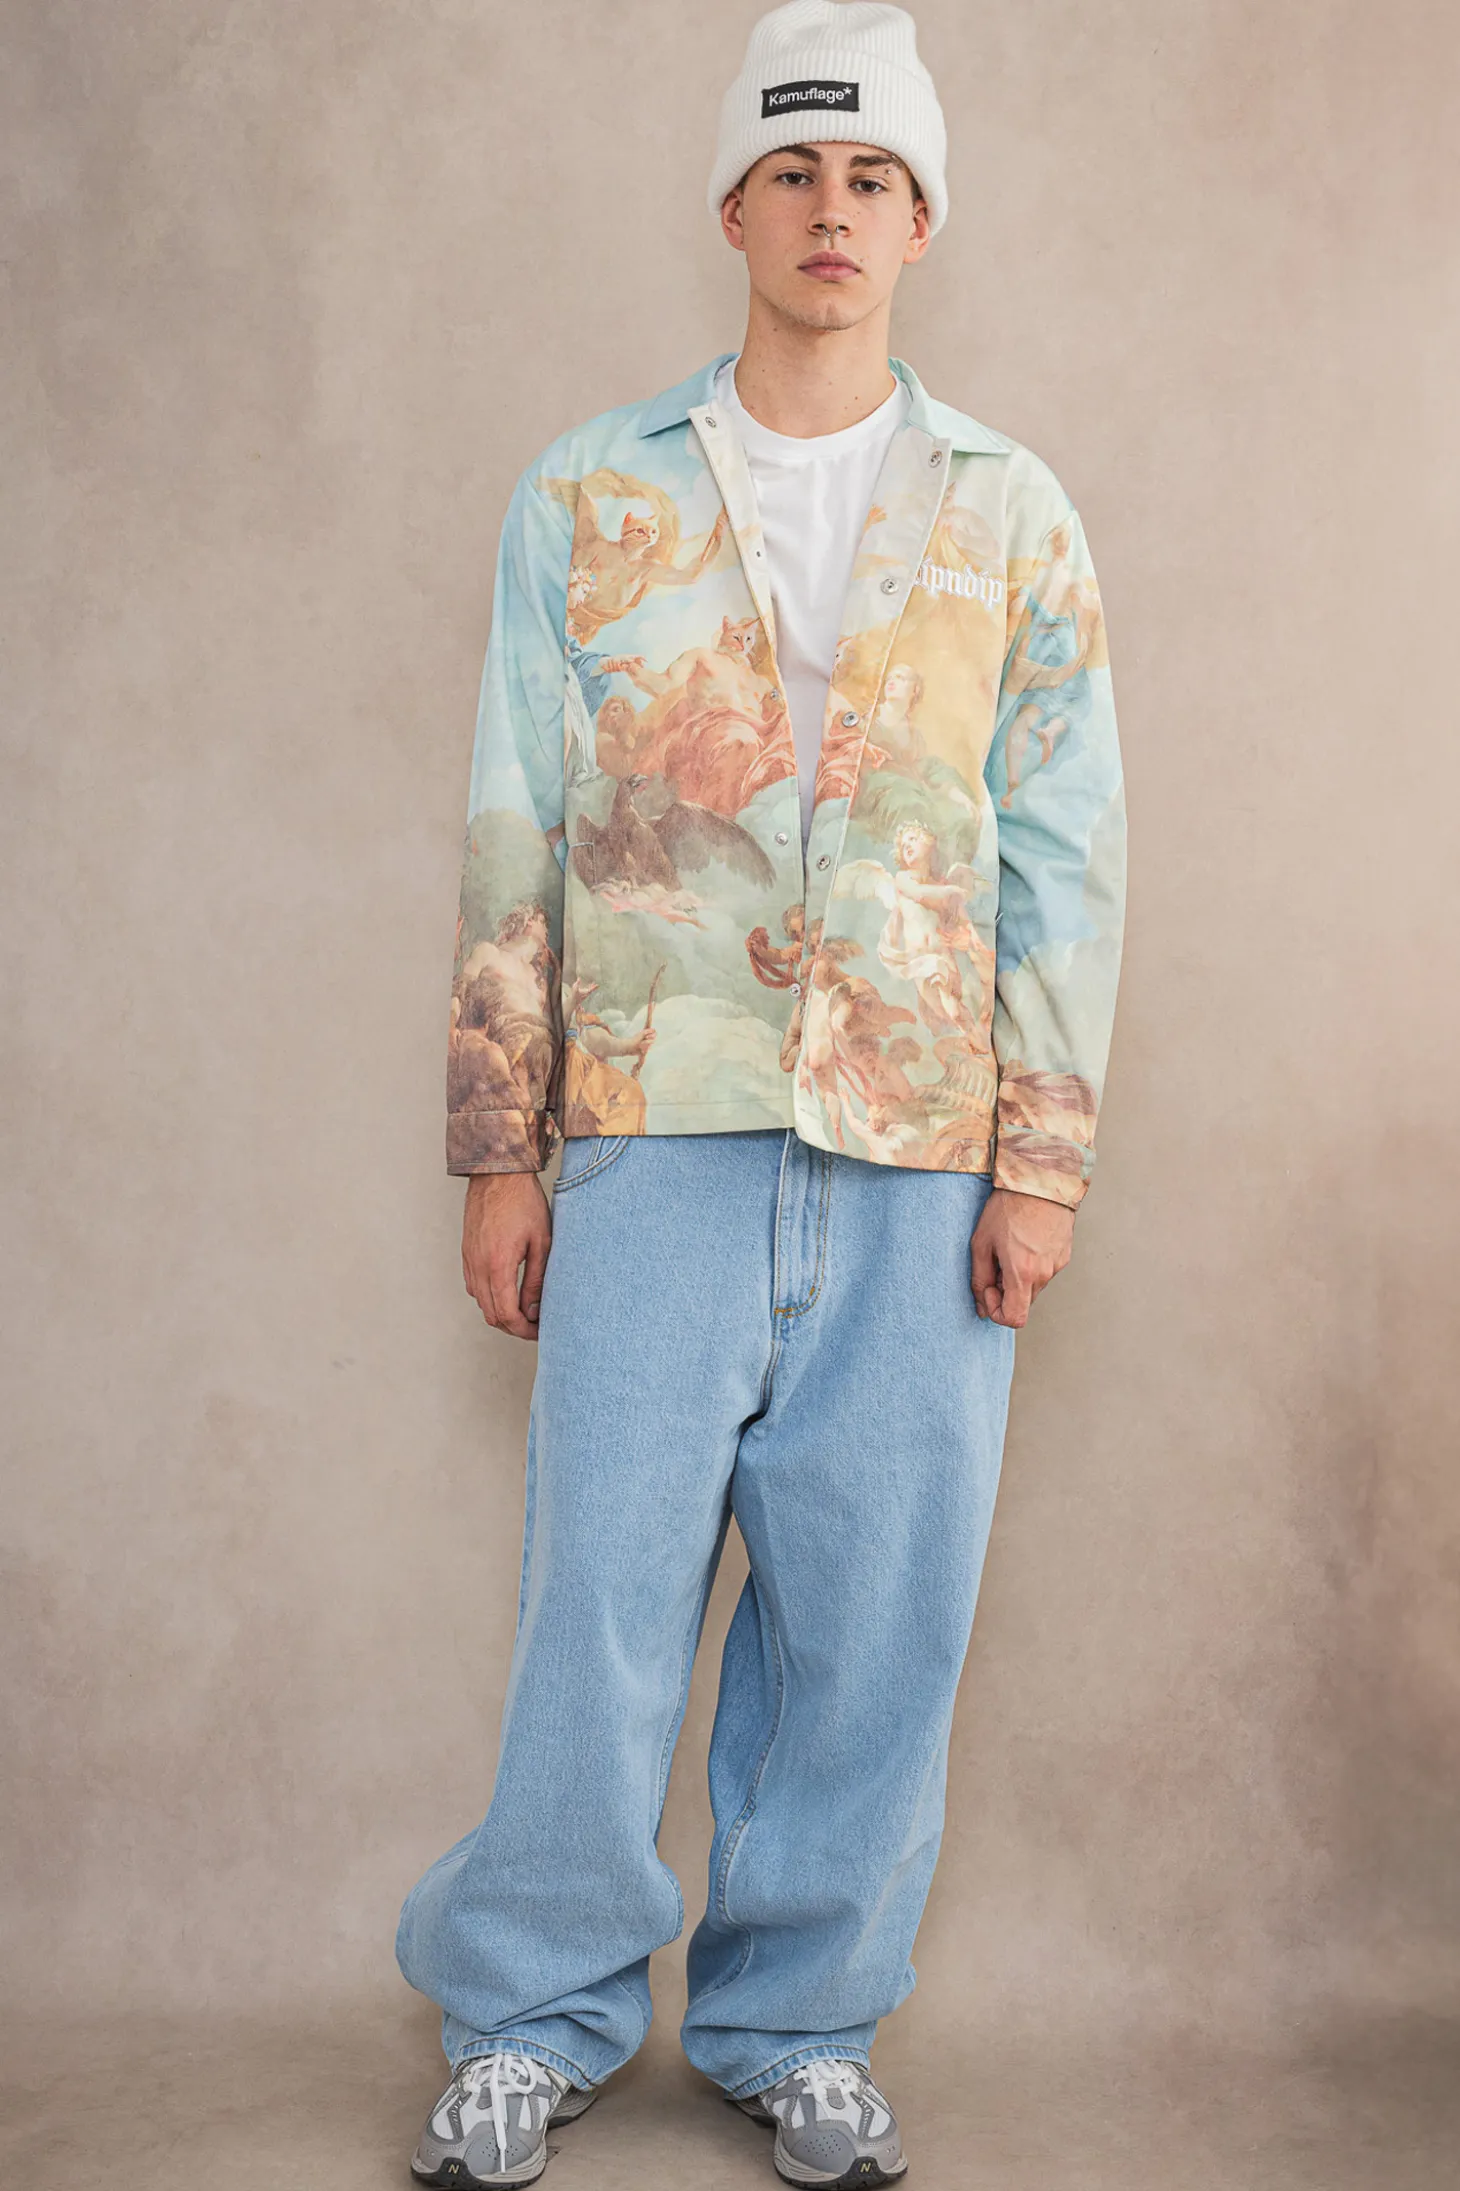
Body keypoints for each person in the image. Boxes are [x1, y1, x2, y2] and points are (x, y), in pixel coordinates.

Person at [396, 3, 1126, 2183]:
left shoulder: (1012, 514)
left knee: (875, 1616)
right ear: (734, 204)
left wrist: (1042, 1160)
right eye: (796, 171)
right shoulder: (586, 491)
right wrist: (501, 1147)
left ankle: (800, 2027)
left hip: (921, 1153)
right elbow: (515, 824)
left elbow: (1066, 853)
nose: (834, 210)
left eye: (873, 177)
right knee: (600, 1602)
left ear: (920, 222)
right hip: (654, 1130)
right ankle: (523, 2019)